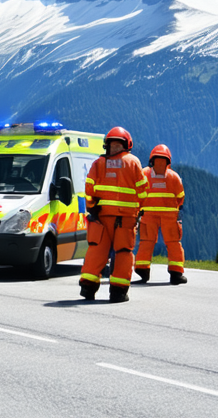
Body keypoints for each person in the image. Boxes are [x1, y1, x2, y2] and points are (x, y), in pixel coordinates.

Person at [79, 127, 148, 303]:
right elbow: (143, 191)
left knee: (97, 250)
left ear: (107, 145)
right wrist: (140, 209)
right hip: (125, 219)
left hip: (101, 218)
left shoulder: (98, 164)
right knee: (123, 252)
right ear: (127, 144)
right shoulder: (133, 162)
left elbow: (88, 189)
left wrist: (92, 207)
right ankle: (118, 292)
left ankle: (88, 287)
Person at [135, 144, 187, 285]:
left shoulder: (144, 174)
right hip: (169, 217)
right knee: (173, 243)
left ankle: (142, 270)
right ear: (168, 161)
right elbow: (180, 197)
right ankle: (176, 274)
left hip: (148, 215)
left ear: (152, 159)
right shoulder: (174, 177)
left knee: (146, 242)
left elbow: (137, 193)